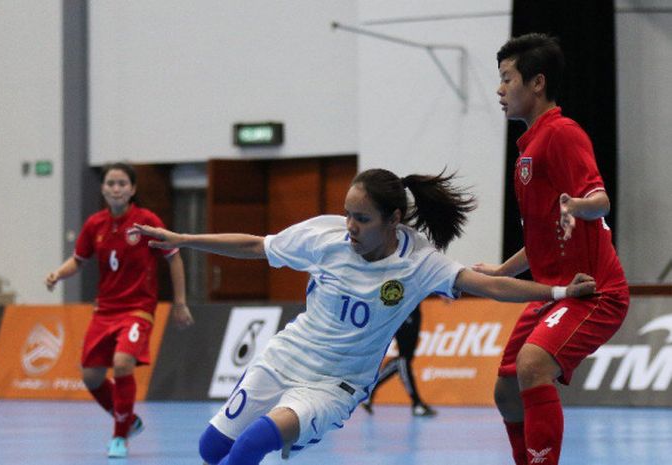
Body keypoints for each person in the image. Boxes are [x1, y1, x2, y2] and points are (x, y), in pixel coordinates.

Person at [134, 167, 595, 465]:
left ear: (393, 219)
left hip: (337, 385)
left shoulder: (420, 263)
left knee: (253, 446)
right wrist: (183, 237)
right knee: (211, 450)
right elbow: (257, 246)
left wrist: (555, 291)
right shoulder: (324, 237)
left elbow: (490, 284)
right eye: (347, 215)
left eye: (362, 219)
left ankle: (293, 431)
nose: (350, 227)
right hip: (285, 358)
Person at [472, 33, 630, 465]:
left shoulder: (562, 133)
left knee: (532, 365)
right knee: (506, 390)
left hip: (594, 293)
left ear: (537, 83)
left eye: (508, 79)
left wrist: (576, 205)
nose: (500, 90)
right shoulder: (529, 146)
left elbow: (601, 200)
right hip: (555, 293)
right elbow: (540, 238)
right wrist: (503, 270)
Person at [44, 162, 194, 458]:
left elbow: (173, 257)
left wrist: (179, 303)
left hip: (138, 309)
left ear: (132, 189)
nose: (116, 188)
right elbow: (79, 259)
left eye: (122, 183)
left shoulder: (146, 221)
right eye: (111, 183)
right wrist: (57, 274)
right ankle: (129, 419)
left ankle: (119, 437)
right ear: (102, 189)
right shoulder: (94, 225)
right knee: (91, 378)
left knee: (123, 363)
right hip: (105, 311)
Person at [360, 306, 436, 417]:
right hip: (402, 308)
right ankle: (417, 403)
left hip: (413, 307)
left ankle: (370, 389)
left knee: (405, 359)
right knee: (404, 359)